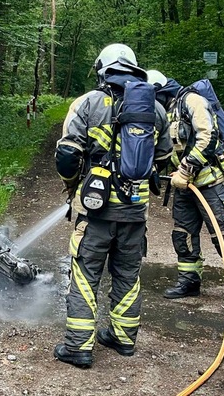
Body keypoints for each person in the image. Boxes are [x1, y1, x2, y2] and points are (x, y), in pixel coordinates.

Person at [53, 44, 173, 368]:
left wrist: (72, 186)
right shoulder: (156, 111)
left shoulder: (88, 103)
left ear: (102, 70)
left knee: (85, 275)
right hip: (136, 212)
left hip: (96, 213)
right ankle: (123, 339)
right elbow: (164, 158)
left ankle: (79, 346)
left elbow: (67, 156)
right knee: (128, 275)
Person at [145, 69, 224, 308]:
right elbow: (163, 146)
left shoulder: (191, 101)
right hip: (184, 186)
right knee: (183, 235)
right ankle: (189, 282)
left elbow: (208, 137)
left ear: (159, 91)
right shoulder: (166, 112)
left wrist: (186, 169)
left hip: (210, 181)